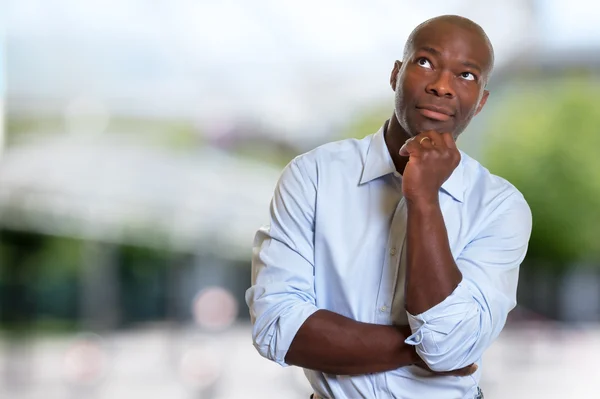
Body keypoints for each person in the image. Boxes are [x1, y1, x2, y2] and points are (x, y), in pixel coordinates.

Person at [246, 14, 532, 399]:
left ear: (480, 102)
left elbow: (448, 346)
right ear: (396, 74)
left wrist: (425, 198)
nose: (442, 86)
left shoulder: (500, 207)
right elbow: (276, 326)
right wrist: (419, 351)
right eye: (426, 62)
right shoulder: (312, 176)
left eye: (466, 76)